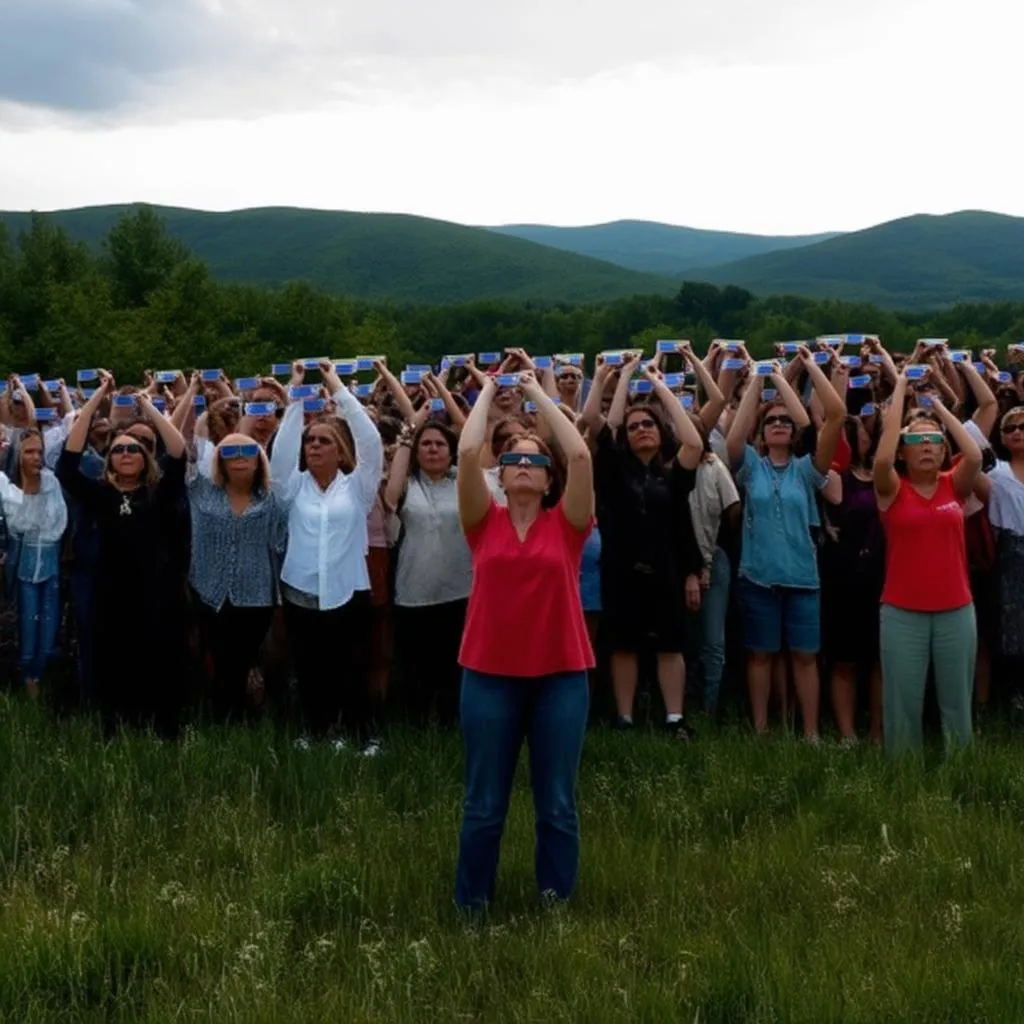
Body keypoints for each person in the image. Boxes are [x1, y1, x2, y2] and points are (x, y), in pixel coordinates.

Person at [454, 370, 594, 912]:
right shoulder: (480, 522)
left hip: (560, 678)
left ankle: (555, 902)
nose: (523, 466)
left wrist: (536, 390)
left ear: (548, 478)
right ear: (501, 473)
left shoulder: (569, 525)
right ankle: (472, 907)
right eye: (513, 459)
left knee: (556, 803)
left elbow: (579, 456)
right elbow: (469, 454)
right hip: (488, 678)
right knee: (483, 803)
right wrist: (489, 389)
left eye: (536, 460)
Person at [56, 372, 189, 735]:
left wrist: (147, 407)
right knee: (113, 659)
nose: (127, 454)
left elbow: (178, 453)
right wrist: (98, 398)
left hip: (156, 594)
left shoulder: (159, 495)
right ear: (109, 460)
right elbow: (67, 464)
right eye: (118, 449)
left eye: (134, 449)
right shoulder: (100, 495)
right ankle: (116, 728)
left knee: (158, 658)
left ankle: (162, 728)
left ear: (146, 458)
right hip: (111, 593)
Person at [725, 345, 846, 738]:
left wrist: (804, 366)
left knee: (805, 658)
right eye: (771, 421)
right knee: (760, 656)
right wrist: (759, 377)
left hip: (803, 579)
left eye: (785, 421)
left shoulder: (808, 470)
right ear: (762, 433)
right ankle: (761, 729)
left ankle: (809, 733)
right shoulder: (749, 469)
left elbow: (836, 416)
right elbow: (734, 435)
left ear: (794, 433)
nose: (779, 424)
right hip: (757, 577)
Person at [584, 358, 707, 737]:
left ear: (660, 430)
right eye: (635, 426)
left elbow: (694, 441)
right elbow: (595, 419)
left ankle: (674, 718)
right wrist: (613, 377)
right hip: (621, 571)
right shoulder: (613, 468)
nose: (641, 430)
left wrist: (659, 387)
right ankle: (625, 718)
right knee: (624, 647)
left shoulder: (673, 475)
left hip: (665, 571)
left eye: (648, 424)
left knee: (671, 645)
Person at [270, 359, 384, 749]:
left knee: (352, 666)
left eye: (324, 441)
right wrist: (296, 394)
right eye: (311, 441)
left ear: (340, 451)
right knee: (310, 667)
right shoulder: (291, 488)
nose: (314, 445)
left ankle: (361, 734)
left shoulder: (357, 488)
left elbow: (371, 443)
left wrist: (335, 386)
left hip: (348, 590)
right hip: (301, 589)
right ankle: (317, 731)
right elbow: (282, 452)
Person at [874, 370, 983, 754]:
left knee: (957, 700)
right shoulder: (892, 488)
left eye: (934, 441)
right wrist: (902, 389)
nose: (926, 446)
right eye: (916, 440)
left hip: (956, 609)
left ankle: (961, 770)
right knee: (903, 702)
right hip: (903, 612)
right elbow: (882, 457)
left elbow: (973, 453)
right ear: (904, 451)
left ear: (942, 449)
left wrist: (936, 407)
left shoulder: (955, 482)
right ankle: (903, 776)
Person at [188, 434, 286, 722]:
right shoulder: (200, 491)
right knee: (219, 660)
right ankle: (220, 722)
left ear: (259, 460)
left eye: (248, 451)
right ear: (220, 459)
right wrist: (193, 389)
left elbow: (280, 543)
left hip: (255, 596)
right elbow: (179, 448)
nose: (240, 457)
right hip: (209, 592)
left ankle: (244, 719)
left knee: (242, 660)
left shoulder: (271, 500)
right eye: (230, 452)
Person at [385, 406, 472, 726]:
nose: (433, 449)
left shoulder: (465, 484)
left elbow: (474, 445)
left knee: (454, 665)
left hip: (460, 589)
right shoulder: (407, 486)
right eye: (427, 444)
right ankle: (416, 723)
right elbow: (391, 497)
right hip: (414, 590)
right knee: (416, 666)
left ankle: (452, 721)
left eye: (440, 444)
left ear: (451, 452)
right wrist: (410, 435)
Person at [821, 414, 885, 743]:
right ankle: (847, 735)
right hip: (845, 577)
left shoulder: (884, 474)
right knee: (844, 659)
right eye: (844, 433)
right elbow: (827, 416)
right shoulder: (834, 478)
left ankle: (877, 731)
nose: (851, 436)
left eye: (856, 430)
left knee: (878, 659)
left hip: (883, 574)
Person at [0, 428, 68, 698]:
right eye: (29, 451)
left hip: (50, 563)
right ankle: (29, 678)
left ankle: (40, 673)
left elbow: (57, 522)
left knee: (49, 626)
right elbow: (17, 525)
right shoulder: (8, 484)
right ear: (17, 454)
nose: (36, 457)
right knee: (28, 623)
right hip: (25, 565)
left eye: (39, 451)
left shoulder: (51, 482)